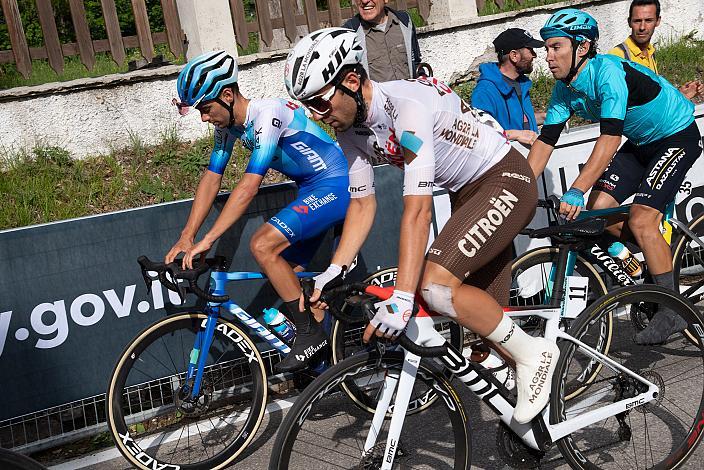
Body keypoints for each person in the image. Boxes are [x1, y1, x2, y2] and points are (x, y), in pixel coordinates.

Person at [285, 27, 560, 424]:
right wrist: (334, 268)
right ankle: (536, 429)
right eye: (307, 106)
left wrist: (402, 296)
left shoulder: (405, 109)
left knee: (434, 286)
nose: (315, 115)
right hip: (469, 193)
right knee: (488, 335)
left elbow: (417, 211)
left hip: (505, 180)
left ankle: (537, 355)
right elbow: (362, 204)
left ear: (350, 81)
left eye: (319, 104)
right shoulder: (351, 130)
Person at [167, 50, 350, 372]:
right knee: (293, 283)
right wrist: (187, 235)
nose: (204, 118)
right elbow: (212, 178)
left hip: (335, 184)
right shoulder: (229, 128)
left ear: (227, 95)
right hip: (310, 189)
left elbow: (249, 186)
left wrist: (208, 239)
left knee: (262, 245)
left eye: (206, 109)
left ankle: (309, 337)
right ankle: (334, 366)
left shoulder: (268, 115)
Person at [527, 9, 703, 344]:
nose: (547, 57)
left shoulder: (607, 71)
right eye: (546, 49)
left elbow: (609, 140)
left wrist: (576, 188)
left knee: (640, 219)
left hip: (676, 135)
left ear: (581, 48)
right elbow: (545, 142)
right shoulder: (564, 90)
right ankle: (654, 256)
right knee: (594, 216)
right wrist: (520, 188)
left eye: (555, 48)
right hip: (640, 143)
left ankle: (672, 309)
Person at [608, 0, 703, 100]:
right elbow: (613, 102)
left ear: (658, 21)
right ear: (629, 22)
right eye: (637, 21)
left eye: (648, 20)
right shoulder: (617, 57)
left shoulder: (650, 52)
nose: (642, 27)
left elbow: (652, 97)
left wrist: (680, 95)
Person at [471, 28, 545, 146]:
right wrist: (516, 135)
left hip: (529, 158)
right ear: (514, 55)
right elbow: (480, 134)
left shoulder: (520, 83)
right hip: (507, 162)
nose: (534, 55)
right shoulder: (485, 91)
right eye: (530, 50)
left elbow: (517, 121)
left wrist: (544, 117)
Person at [343, 0, 421, 81]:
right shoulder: (349, 33)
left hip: (409, 92)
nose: (364, 1)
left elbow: (416, 62)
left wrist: (422, 76)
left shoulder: (404, 21)